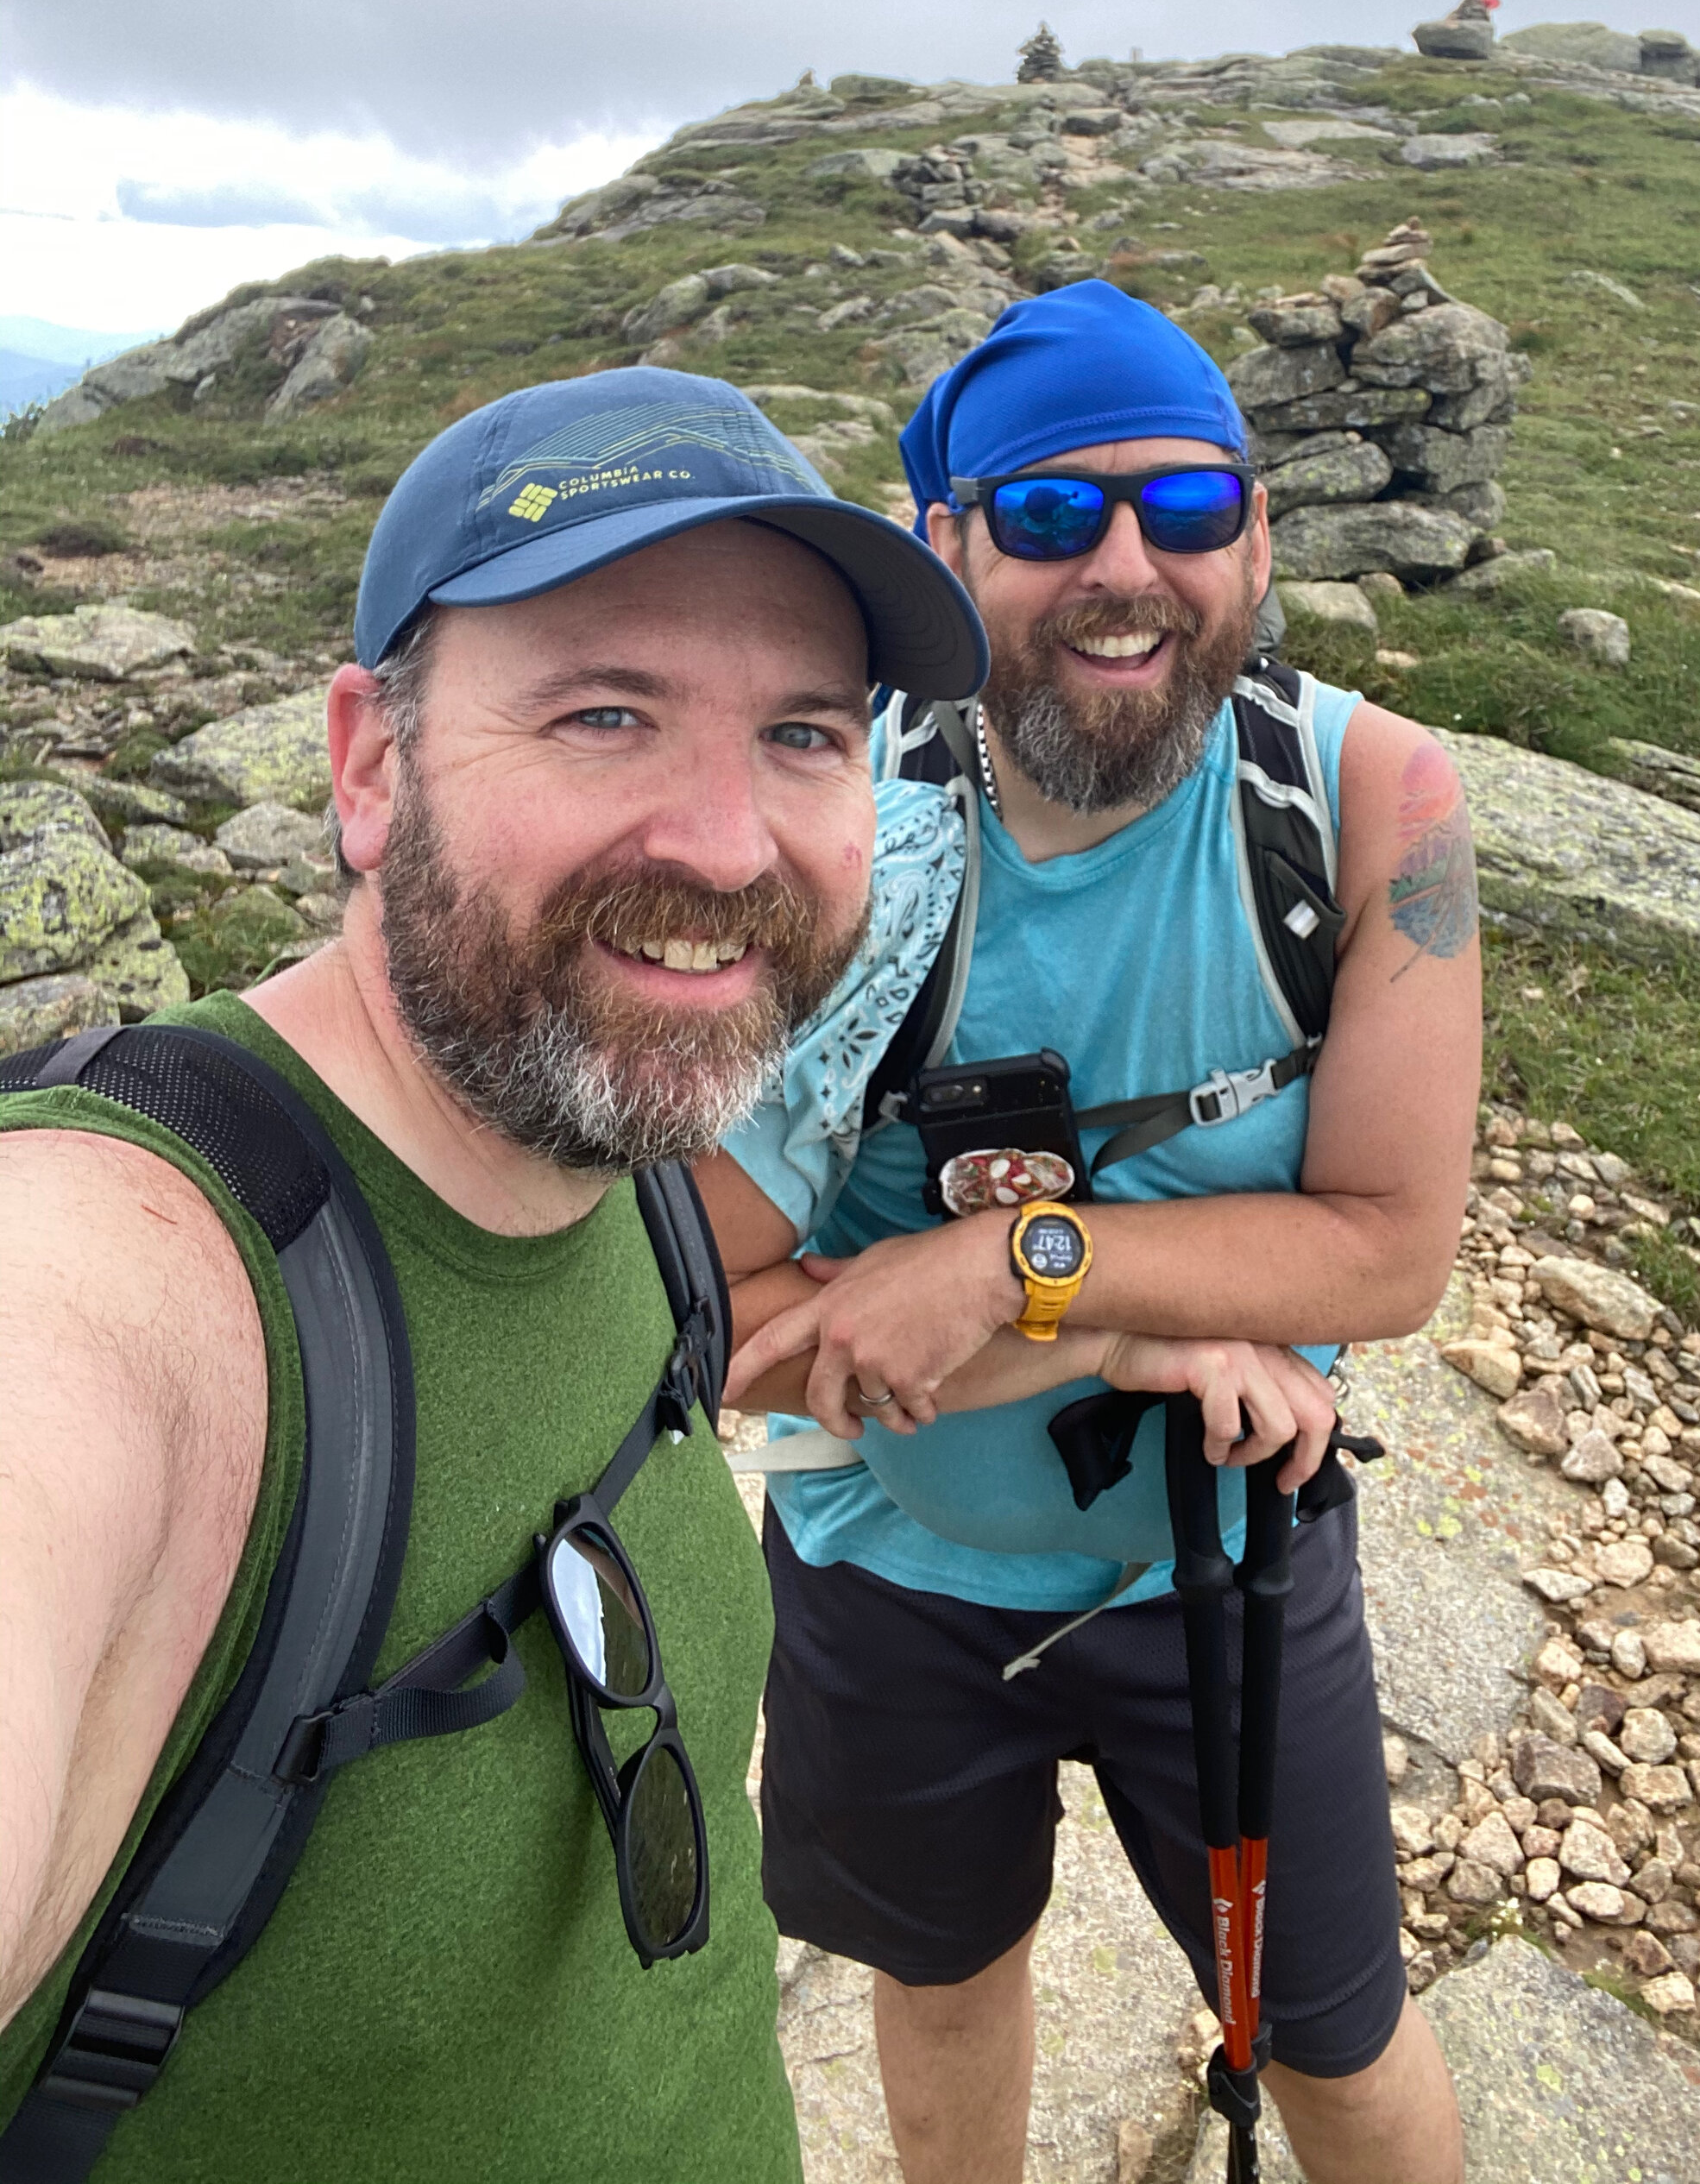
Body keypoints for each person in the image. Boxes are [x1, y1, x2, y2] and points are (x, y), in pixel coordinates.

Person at [0, 369, 1003, 2182]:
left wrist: (1158, 1315)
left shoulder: (638, 1183)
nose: (724, 843)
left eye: (802, 732)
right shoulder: (120, 1277)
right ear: (371, 764)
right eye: (604, 711)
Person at [715, 286, 1483, 2184]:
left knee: (1327, 2036)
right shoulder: (836, 841)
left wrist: (997, 1267)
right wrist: (1132, 1333)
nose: (1128, 569)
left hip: (1219, 1557)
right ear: (937, 541)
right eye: (1053, 515)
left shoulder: (1385, 804)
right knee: (941, 1970)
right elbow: (706, 1312)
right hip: (884, 1564)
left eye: (1193, 507)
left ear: (1261, 540)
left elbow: (1386, 1249)